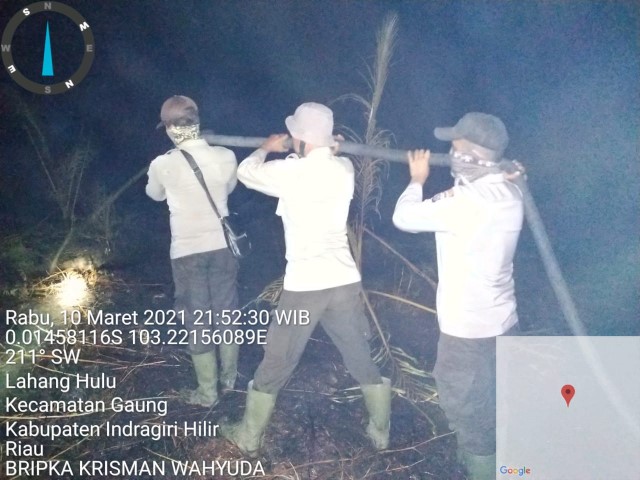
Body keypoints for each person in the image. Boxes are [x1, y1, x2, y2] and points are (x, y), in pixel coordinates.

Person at [220, 102, 391, 457]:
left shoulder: (290, 172)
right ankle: (381, 430)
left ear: (300, 138)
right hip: (343, 280)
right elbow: (329, 158)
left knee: (278, 357)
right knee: (357, 351)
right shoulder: (344, 168)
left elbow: (246, 172)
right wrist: (328, 149)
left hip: (306, 285)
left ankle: (249, 437)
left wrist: (265, 148)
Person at [392, 113, 523, 480]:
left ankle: (485, 469)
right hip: (504, 323)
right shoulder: (509, 191)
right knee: (493, 402)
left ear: (473, 157)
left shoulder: (466, 203)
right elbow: (473, 188)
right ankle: (501, 464)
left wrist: (416, 180)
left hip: (467, 333)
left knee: (468, 410)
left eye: (456, 148)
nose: (449, 153)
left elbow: (404, 217)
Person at [146, 95, 240, 408]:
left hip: (187, 253)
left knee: (197, 318)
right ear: (197, 121)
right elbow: (227, 189)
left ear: (169, 129)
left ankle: (208, 393)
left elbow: (154, 195)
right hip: (223, 248)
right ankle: (230, 379)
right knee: (226, 313)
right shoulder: (226, 156)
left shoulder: (162, 164)